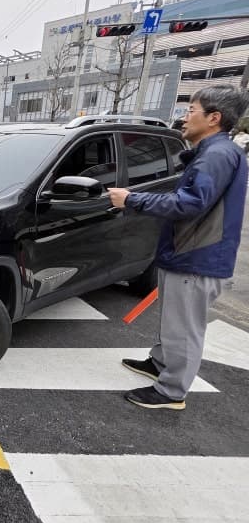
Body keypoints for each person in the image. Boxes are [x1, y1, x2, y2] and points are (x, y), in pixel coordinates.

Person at [107, 85, 249, 411]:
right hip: (190, 252)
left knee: (184, 329)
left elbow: (191, 203)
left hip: (197, 257)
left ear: (214, 118)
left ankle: (172, 391)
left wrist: (132, 199)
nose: (184, 117)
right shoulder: (215, 152)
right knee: (174, 320)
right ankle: (160, 363)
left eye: (191, 110)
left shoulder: (217, 155)